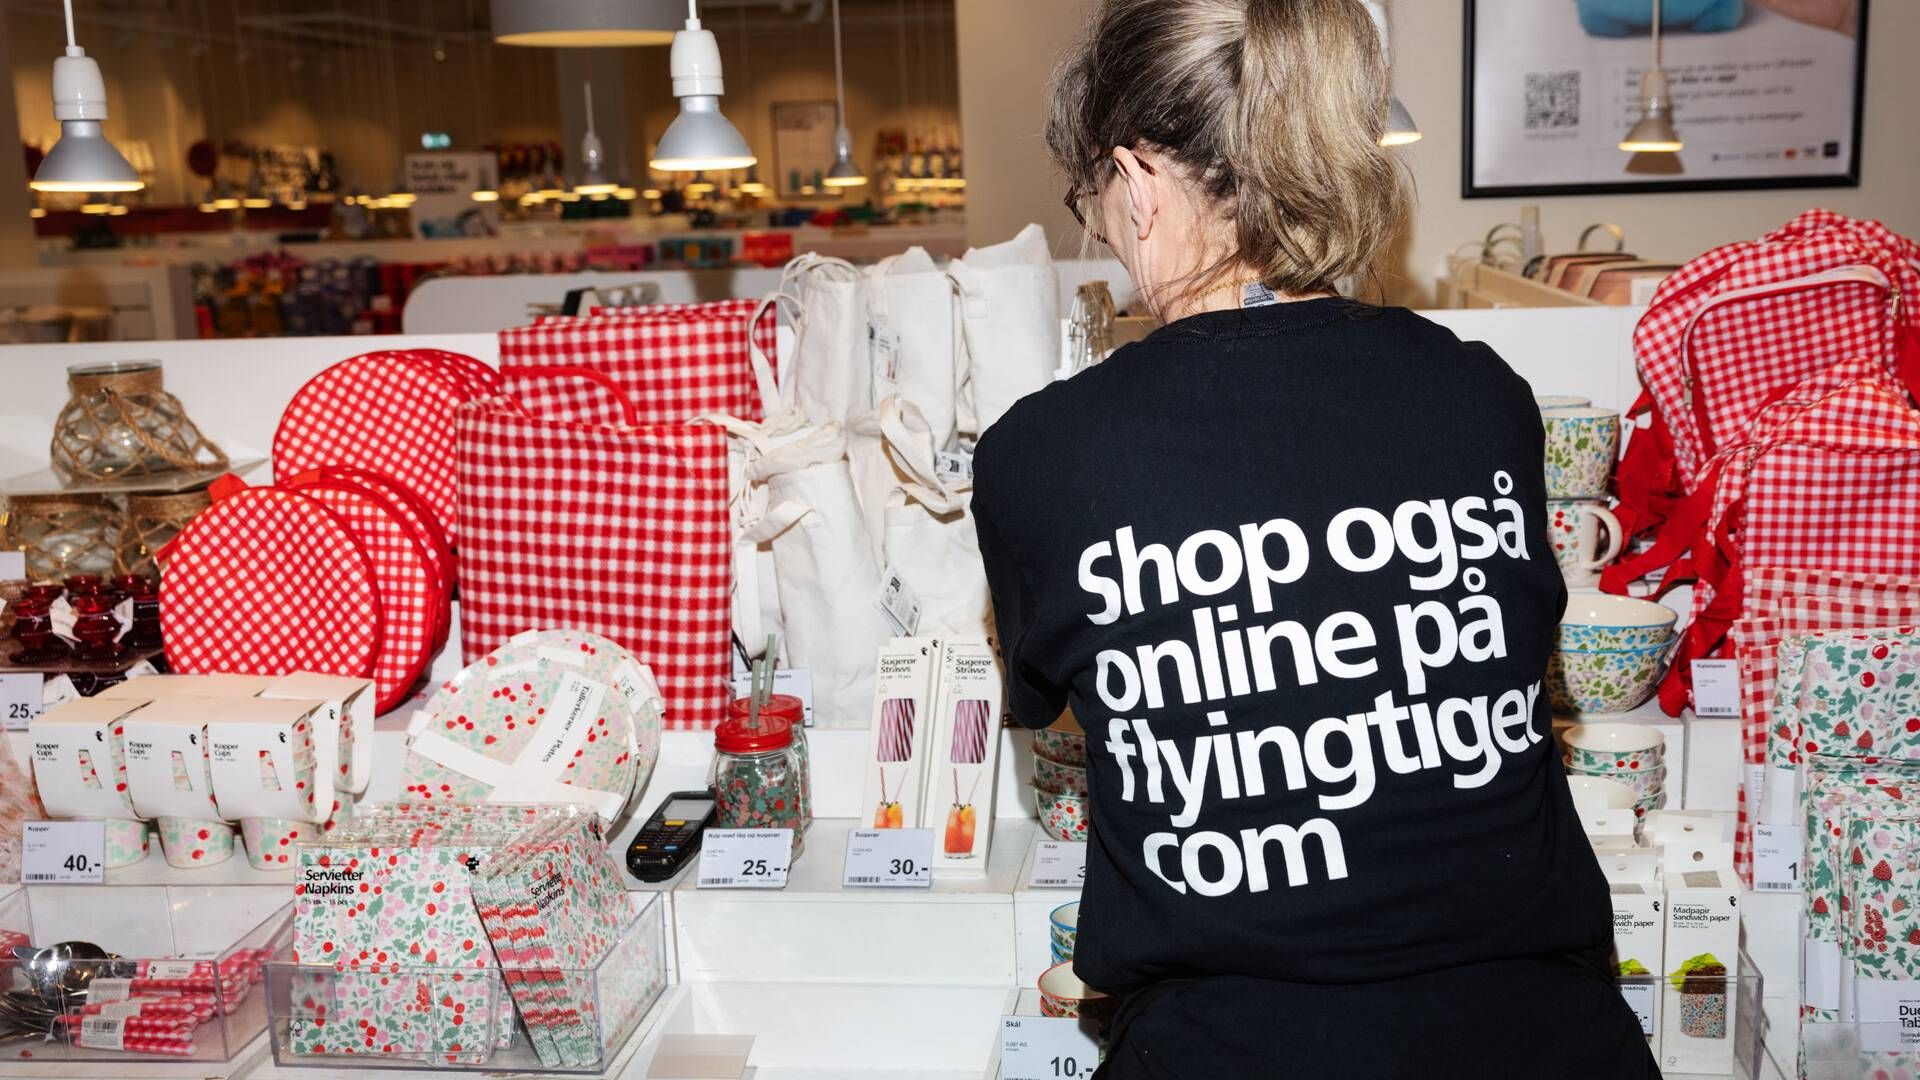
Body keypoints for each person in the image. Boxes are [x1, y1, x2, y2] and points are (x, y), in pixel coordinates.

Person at [970, 1, 1658, 1077]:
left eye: (1093, 198)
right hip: (1542, 1042)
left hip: (1228, 1046)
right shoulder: (1480, 399)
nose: (1102, 229)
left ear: (1140, 182)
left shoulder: (1045, 458)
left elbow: (1050, 699)